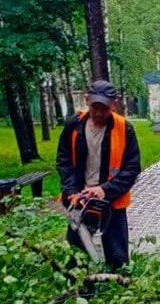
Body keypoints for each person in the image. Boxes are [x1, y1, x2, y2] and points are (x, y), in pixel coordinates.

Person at [55, 80, 141, 267]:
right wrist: (71, 191)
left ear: (114, 105)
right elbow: (64, 160)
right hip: (80, 198)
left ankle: (119, 287)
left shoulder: (124, 129)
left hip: (112, 200)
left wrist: (105, 190)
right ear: (87, 100)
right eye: (95, 107)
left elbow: (132, 169)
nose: (99, 113)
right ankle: (81, 290)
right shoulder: (74, 125)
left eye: (105, 108)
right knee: (76, 256)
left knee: (117, 256)